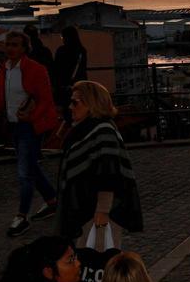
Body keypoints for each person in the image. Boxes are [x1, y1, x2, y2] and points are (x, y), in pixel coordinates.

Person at [0, 30, 60, 237]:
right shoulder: (6, 70)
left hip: (31, 126)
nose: (10, 48)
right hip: (16, 125)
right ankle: (52, 201)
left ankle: (21, 216)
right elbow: (1, 96)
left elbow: (46, 100)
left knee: (24, 171)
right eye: (8, 44)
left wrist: (31, 117)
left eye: (15, 45)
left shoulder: (36, 70)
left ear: (24, 48)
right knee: (30, 166)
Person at [55, 81, 142, 248]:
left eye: (75, 102)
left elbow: (109, 176)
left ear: (91, 103)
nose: (70, 107)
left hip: (96, 214)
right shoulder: (83, 130)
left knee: (97, 264)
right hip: (84, 211)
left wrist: (102, 211)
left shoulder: (103, 131)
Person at [52, 26, 89, 122]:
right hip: (77, 87)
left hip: (63, 88)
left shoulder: (61, 50)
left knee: (66, 115)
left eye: (62, 37)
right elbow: (82, 70)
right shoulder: (81, 50)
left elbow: (56, 70)